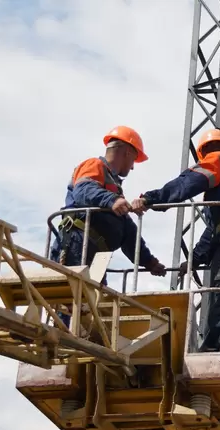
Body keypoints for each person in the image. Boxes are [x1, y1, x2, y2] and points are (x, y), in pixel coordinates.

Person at [132, 129, 220, 353]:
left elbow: (187, 183)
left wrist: (151, 198)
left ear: (203, 152)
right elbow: (215, 228)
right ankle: (215, 344)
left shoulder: (219, 161)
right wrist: (193, 259)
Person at [50, 126, 167, 327]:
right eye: (133, 160)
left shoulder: (113, 185)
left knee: (91, 304)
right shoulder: (94, 165)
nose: (132, 167)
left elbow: (127, 231)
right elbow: (83, 190)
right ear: (127, 152)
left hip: (94, 251)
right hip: (77, 242)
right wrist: (111, 199)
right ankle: (62, 339)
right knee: (71, 300)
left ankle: (78, 341)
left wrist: (148, 261)